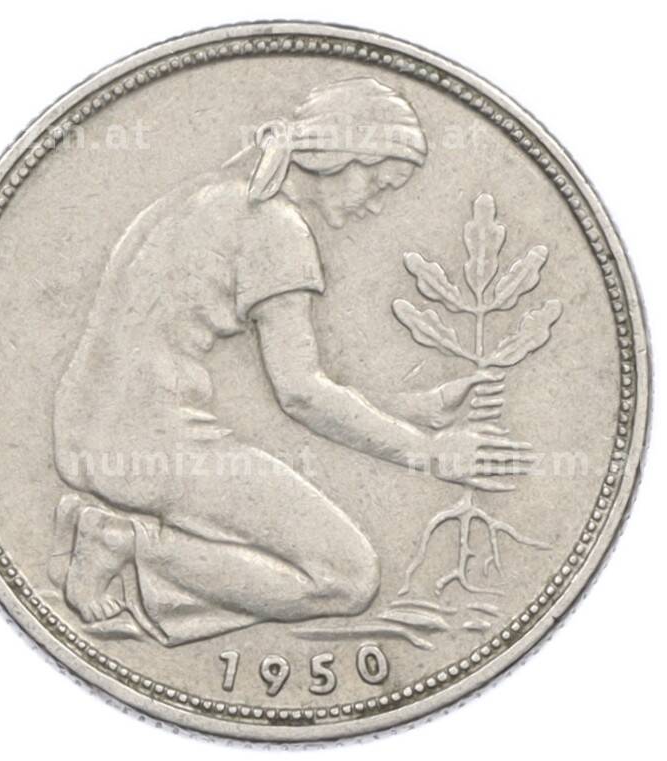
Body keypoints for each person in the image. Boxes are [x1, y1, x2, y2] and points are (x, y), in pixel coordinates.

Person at [48, 78, 530, 645]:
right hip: (150, 446)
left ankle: (118, 539)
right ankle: (123, 543)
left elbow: (250, 390)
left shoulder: (206, 194)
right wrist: (429, 454)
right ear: (341, 156)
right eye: (379, 182)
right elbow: (300, 393)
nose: (375, 203)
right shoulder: (274, 226)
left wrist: (413, 409)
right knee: (345, 578)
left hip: (87, 430)